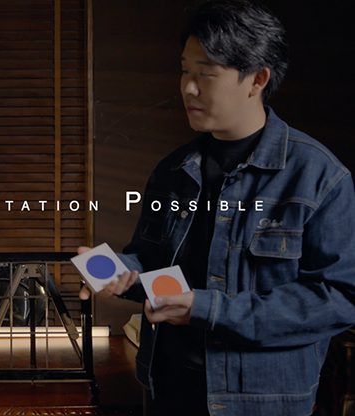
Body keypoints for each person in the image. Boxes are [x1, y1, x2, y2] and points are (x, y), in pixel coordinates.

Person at [78, 1, 355, 415]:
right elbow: (152, 263)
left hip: (261, 401)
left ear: (257, 79)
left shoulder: (319, 177)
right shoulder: (172, 172)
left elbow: (340, 299)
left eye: (205, 73)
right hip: (168, 389)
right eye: (184, 71)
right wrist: (117, 271)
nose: (188, 88)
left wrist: (207, 309)